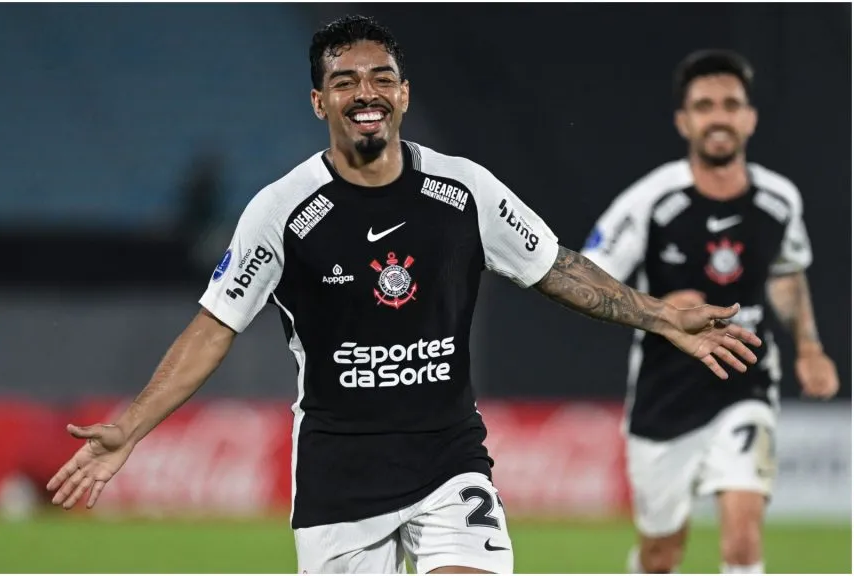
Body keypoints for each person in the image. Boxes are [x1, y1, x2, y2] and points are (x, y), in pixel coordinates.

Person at [47, 18, 762, 575]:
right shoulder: (282, 210)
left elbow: (558, 268)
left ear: (404, 93)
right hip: (339, 476)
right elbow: (214, 325)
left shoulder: (465, 191)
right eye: (347, 81)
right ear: (319, 99)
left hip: (449, 461)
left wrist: (663, 315)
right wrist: (131, 427)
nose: (367, 93)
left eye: (382, 77)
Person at [580, 49, 839, 575]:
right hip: (664, 395)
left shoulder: (779, 200)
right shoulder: (650, 200)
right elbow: (585, 277)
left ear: (749, 117)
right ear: (684, 121)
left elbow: (787, 276)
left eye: (730, 104)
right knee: (661, 554)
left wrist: (809, 347)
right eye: (703, 105)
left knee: (742, 541)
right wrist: (658, 310)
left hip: (745, 385)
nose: (718, 116)